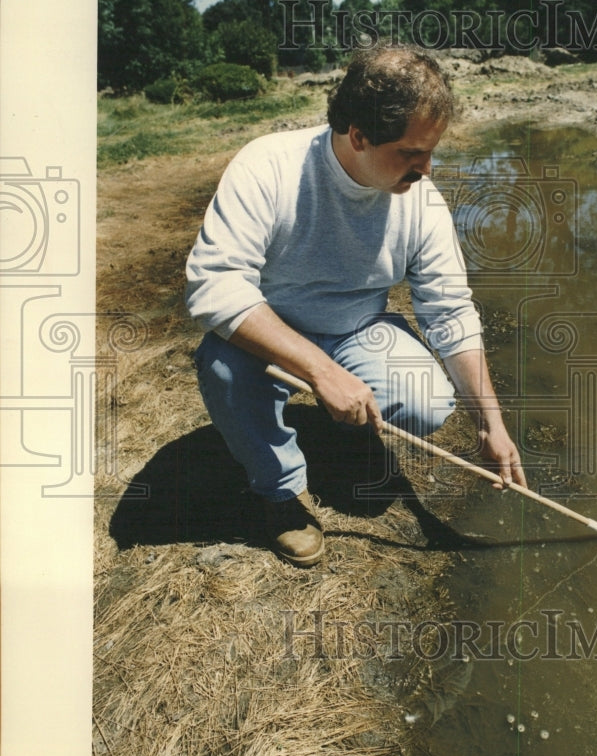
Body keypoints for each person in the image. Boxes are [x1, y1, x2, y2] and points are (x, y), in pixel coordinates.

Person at [186, 45, 527, 566]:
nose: (427, 169)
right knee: (224, 372)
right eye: (411, 154)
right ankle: (278, 492)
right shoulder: (269, 167)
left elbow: (450, 311)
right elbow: (215, 287)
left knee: (425, 403)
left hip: (360, 328)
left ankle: (341, 421)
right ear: (359, 136)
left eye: (431, 152)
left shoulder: (421, 200)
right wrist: (321, 371)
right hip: (268, 336)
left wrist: (491, 421)